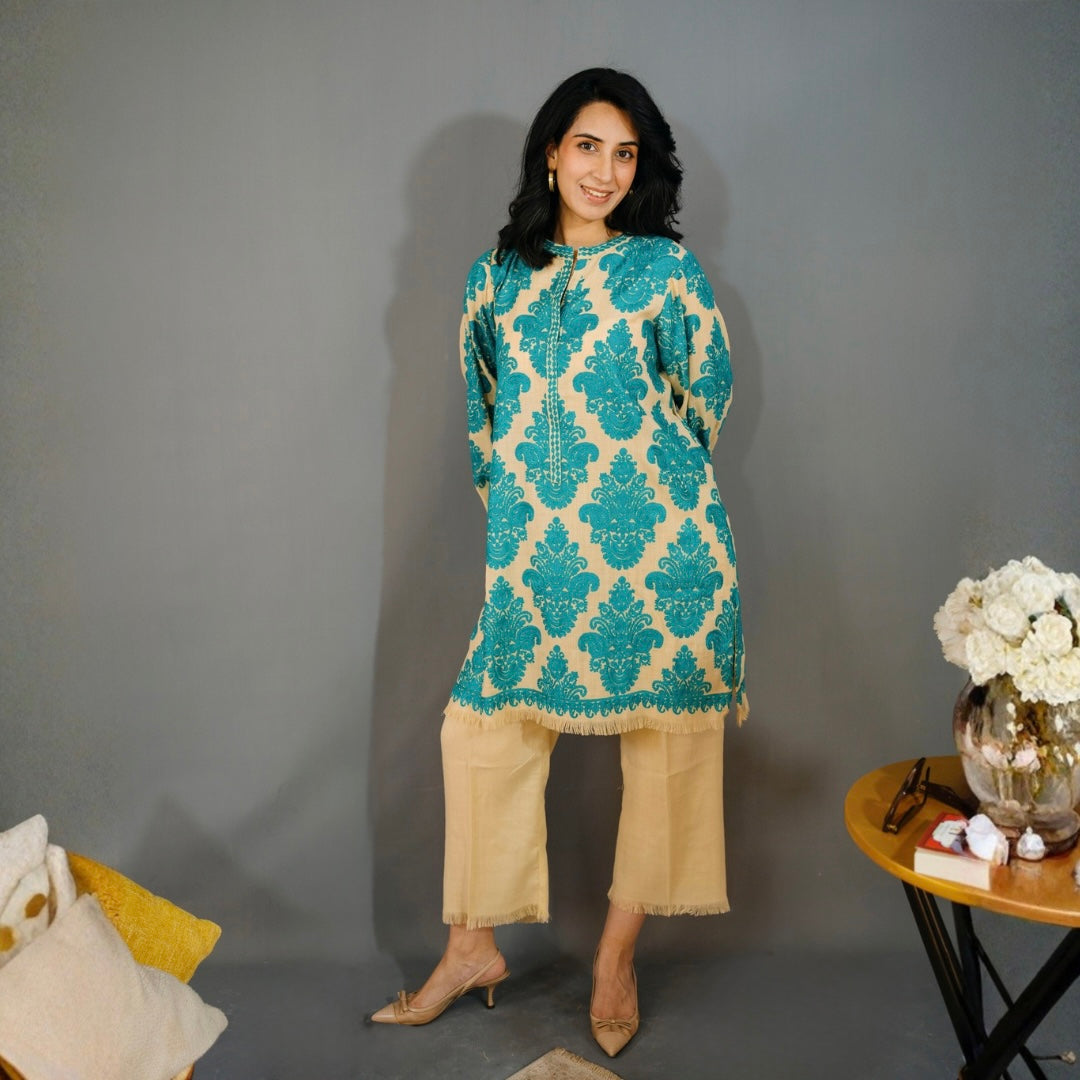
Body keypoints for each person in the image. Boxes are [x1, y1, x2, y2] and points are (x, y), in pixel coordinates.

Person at [371, 67, 746, 1058]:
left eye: (625, 154)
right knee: (478, 734)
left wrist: (639, 485)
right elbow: (483, 415)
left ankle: (616, 960)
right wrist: (533, 521)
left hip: (663, 555)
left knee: (666, 755)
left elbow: (707, 394)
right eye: (588, 146)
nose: (604, 172)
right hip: (535, 560)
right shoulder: (494, 279)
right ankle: (471, 949)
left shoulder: (665, 271)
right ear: (550, 151)